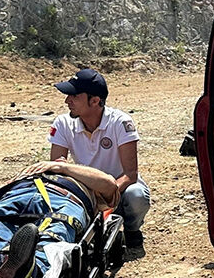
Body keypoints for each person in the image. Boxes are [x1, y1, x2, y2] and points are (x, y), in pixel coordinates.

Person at [0, 159, 121, 278]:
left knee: (55, 231)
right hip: (14, 194)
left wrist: (62, 167)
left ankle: (29, 268)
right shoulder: (29, 171)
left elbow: (109, 184)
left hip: (64, 198)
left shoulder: (82, 177)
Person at [48, 68, 151, 248]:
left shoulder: (120, 122)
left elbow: (130, 175)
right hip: (85, 189)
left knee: (137, 196)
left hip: (120, 189)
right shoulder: (63, 123)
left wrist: (104, 194)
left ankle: (132, 229)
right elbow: (58, 167)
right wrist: (88, 197)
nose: (67, 101)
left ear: (95, 100)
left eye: (74, 96)